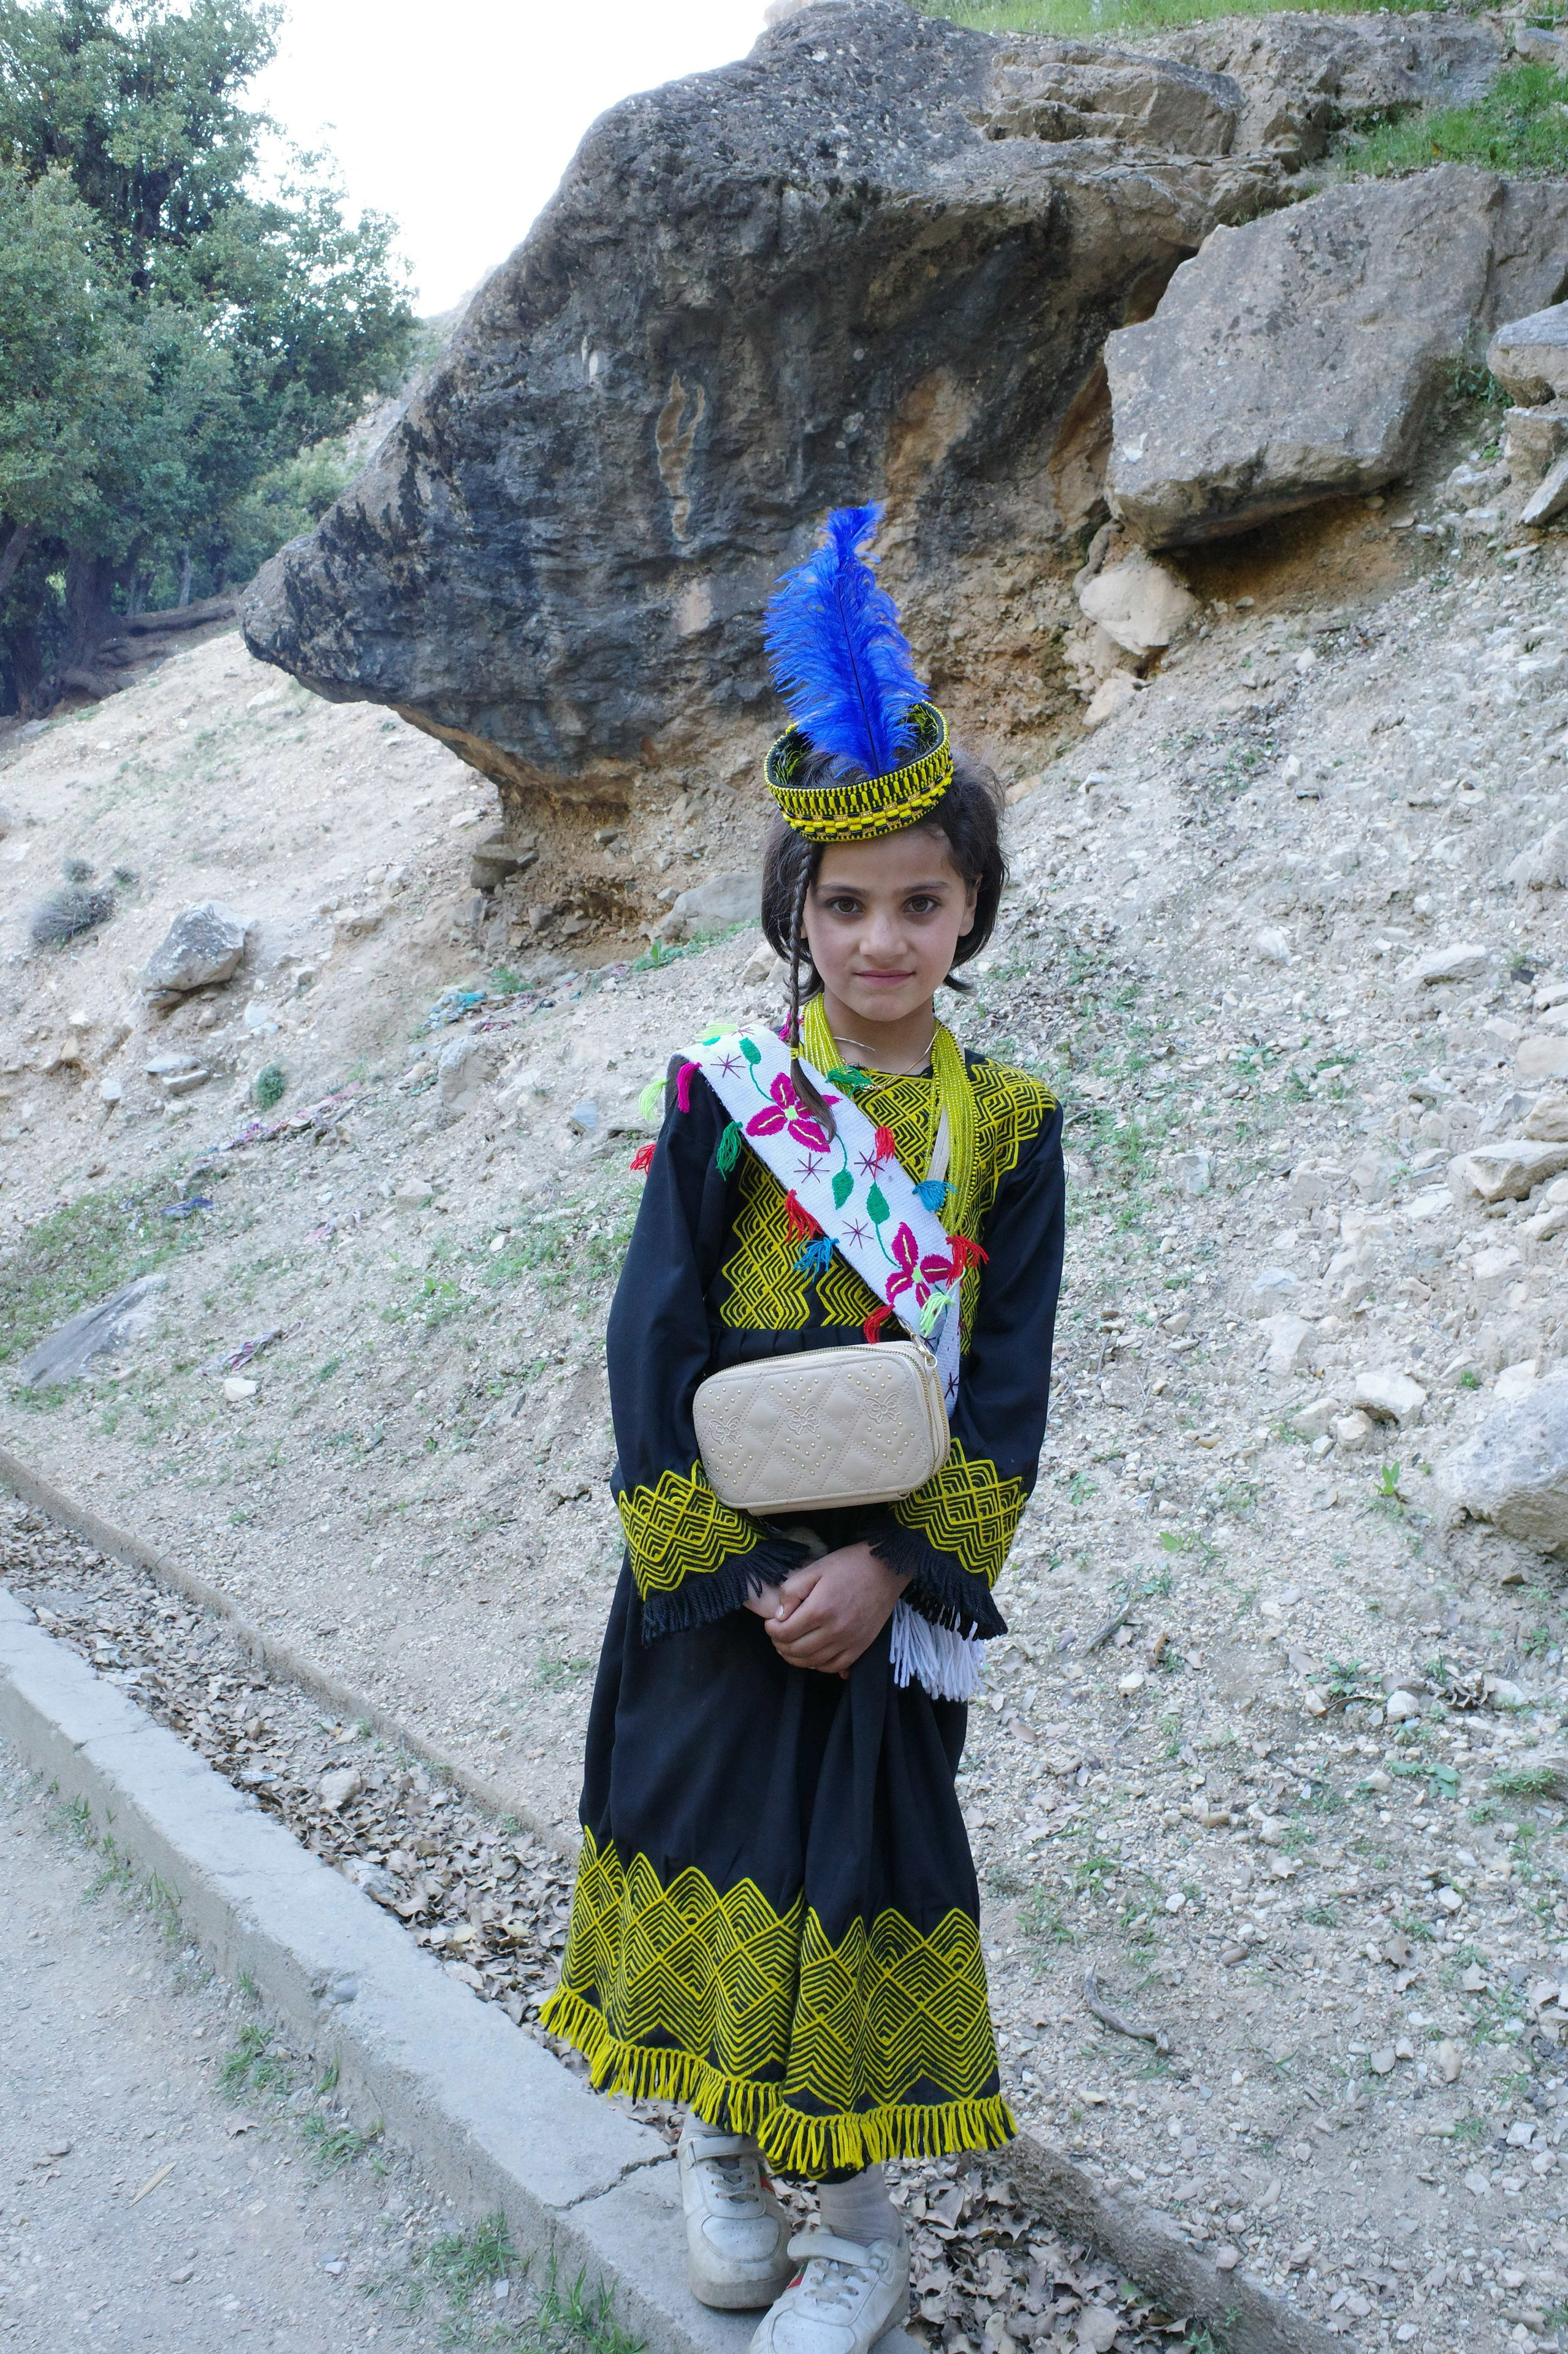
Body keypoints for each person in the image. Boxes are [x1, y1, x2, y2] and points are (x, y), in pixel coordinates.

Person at [540, 503, 1065, 2354]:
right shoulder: (729, 1098)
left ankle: (854, 2228)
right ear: (796, 918)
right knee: (707, 1848)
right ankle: (714, 2150)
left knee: (855, 1880)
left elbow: (1009, 1383)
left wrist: (890, 1569)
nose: (882, 935)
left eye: (921, 901)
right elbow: (650, 1335)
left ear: (971, 912)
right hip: (715, 1585)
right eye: (844, 904)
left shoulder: (1008, 1128)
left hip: (885, 1590)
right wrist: (744, 1565)